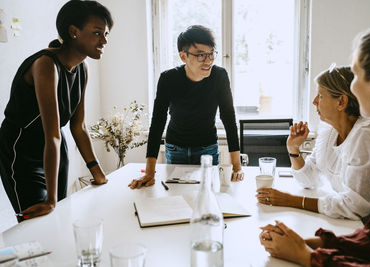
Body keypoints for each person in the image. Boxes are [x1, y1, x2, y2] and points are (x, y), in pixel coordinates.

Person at [259, 19, 370, 266]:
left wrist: (306, 256)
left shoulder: (368, 136)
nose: (315, 102)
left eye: (355, 75)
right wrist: (313, 243)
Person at [0, 0, 113, 221]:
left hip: (54, 147)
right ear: (73, 32)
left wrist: (98, 173)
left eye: (106, 34)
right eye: (97, 32)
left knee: (59, 217)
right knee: (35, 220)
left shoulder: (83, 67)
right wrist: (50, 200)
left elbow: (78, 127)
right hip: (21, 149)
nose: (104, 40)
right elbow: (50, 132)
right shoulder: (45, 64)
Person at [256, 66, 370, 220]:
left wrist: (291, 201)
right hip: (349, 224)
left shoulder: (366, 137)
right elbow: (309, 180)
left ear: (341, 102)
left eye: (320, 96)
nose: (314, 102)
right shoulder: (331, 131)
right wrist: (293, 148)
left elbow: (355, 207)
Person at [129, 25, 243, 189]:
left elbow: (229, 118)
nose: (208, 60)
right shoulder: (168, 79)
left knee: (208, 195)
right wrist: (149, 173)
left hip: (207, 148)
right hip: (176, 148)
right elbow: (158, 122)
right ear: (183, 56)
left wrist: (237, 167)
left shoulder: (219, 76)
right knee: (177, 196)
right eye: (201, 55)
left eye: (211, 54)